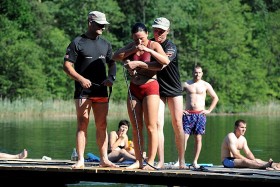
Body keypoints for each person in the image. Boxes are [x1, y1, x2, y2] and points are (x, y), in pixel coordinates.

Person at [125, 18, 186, 169]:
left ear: (167, 31)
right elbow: (135, 56)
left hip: (173, 88)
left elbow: (162, 63)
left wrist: (145, 56)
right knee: (157, 124)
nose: (158, 33)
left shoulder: (170, 46)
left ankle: (182, 160)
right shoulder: (147, 42)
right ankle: (160, 161)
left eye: (161, 31)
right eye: (155, 30)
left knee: (177, 123)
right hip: (156, 88)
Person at [63, 11, 117, 169]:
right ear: (90, 22)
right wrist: (81, 79)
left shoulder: (106, 44)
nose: (103, 28)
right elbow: (66, 66)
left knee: (102, 125)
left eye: (104, 25)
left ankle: (104, 159)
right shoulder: (77, 42)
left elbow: (112, 64)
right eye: (100, 25)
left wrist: (111, 78)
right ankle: (80, 160)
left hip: (101, 91)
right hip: (83, 91)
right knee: (82, 124)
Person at [113, 22, 170, 170]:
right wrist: (130, 53)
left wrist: (140, 59)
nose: (139, 42)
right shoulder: (132, 45)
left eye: (142, 38)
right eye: (136, 39)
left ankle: (150, 161)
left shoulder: (153, 45)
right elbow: (115, 56)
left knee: (151, 127)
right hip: (134, 88)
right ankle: (139, 161)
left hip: (150, 87)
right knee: (136, 128)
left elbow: (165, 61)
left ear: (147, 35)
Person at [181, 64, 219, 169]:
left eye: (199, 72)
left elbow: (215, 98)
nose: (197, 74)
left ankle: (195, 161)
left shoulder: (205, 85)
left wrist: (209, 110)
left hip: (200, 115)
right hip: (188, 114)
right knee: (184, 138)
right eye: (195, 72)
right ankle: (181, 160)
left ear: (202, 74)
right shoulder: (186, 84)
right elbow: (176, 96)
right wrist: (180, 110)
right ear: (192, 73)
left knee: (198, 138)